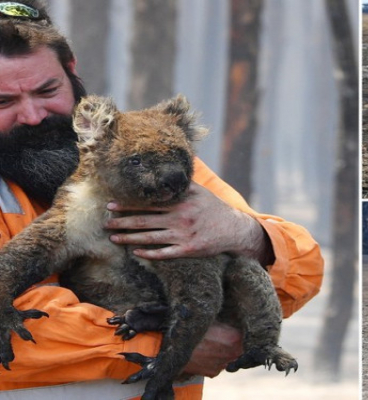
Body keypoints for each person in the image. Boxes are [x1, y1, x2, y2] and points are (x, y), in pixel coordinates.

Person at [0, 1, 324, 399]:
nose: (33, 115)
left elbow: (303, 271)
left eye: (48, 90)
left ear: (72, 72)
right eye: (3, 102)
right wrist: (159, 347)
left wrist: (244, 234)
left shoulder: (152, 148)